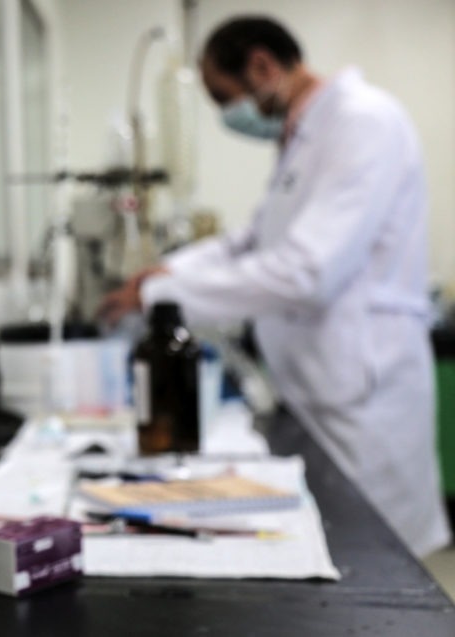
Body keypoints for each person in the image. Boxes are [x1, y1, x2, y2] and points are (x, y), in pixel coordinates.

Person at [101, 16, 450, 556]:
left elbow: (304, 273)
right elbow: (252, 240)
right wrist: (167, 272)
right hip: (318, 387)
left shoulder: (363, 122)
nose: (227, 115)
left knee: (380, 564)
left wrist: (158, 295)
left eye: (224, 97)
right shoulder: (303, 135)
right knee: (337, 555)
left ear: (262, 65)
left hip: (361, 392)